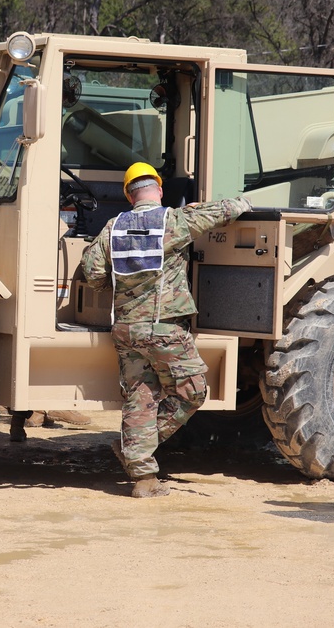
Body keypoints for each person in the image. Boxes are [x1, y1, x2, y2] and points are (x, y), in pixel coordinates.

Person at [81, 162, 251, 498]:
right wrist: (244, 202)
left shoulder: (113, 228)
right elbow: (222, 211)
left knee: (138, 398)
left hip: (127, 329)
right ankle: (136, 449)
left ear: (129, 195)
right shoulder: (172, 220)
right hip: (164, 328)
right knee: (193, 391)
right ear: (158, 189)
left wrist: (119, 286)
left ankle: (143, 477)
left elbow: (92, 271)